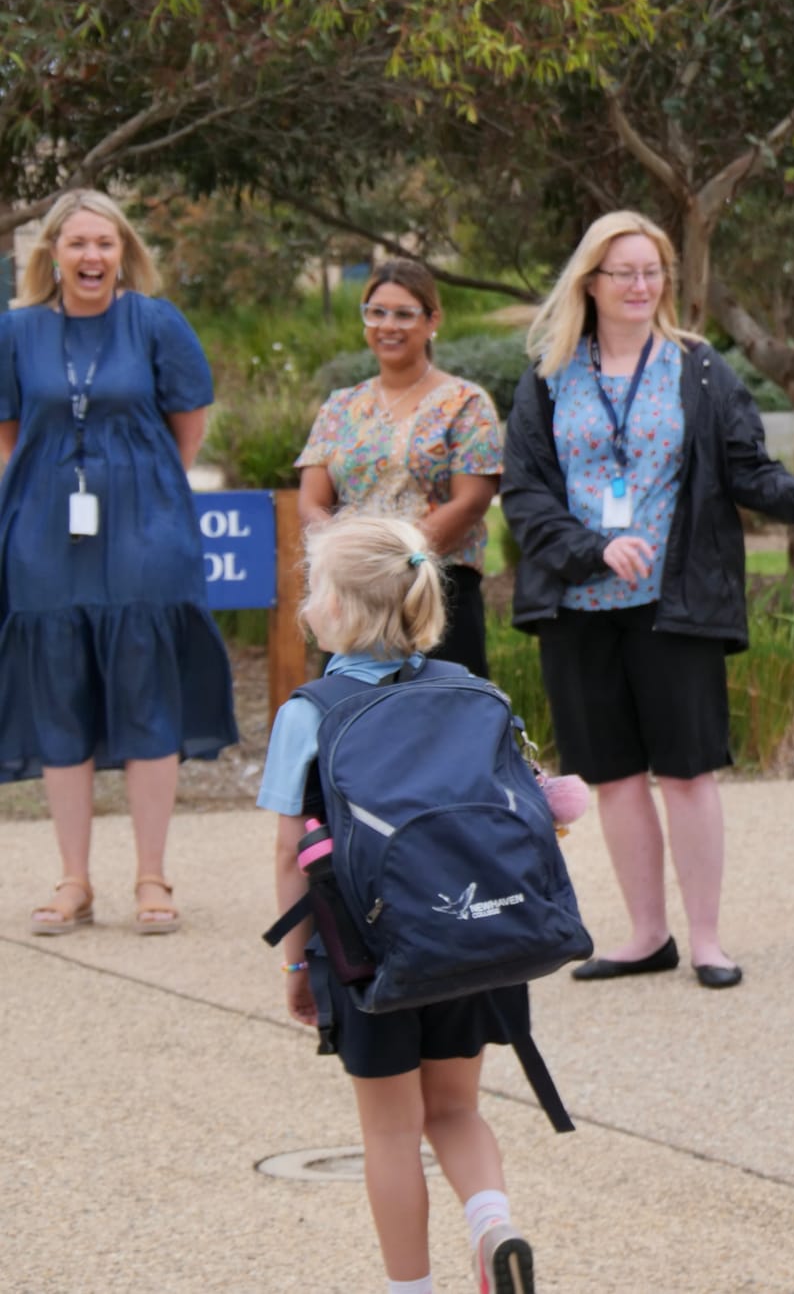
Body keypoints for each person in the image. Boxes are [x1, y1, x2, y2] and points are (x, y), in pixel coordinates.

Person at [501, 210, 794, 988]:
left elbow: (749, 472)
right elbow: (525, 495)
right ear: (591, 282)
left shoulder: (698, 369)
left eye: (653, 272)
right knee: (613, 776)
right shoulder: (547, 375)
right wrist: (592, 548)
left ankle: (706, 939)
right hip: (579, 607)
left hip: (676, 604)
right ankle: (645, 936)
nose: (641, 286)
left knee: (687, 773)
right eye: (624, 272)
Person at [263, 514, 538, 1294]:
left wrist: (296, 964)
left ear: (342, 611)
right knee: (456, 1109)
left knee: (390, 1129)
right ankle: (494, 1224)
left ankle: (409, 1288)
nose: (307, 602)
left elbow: (290, 853)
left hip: (367, 952)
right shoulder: (477, 692)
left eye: (315, 588)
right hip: (478, 933)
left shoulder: (309, 712)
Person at [0, 189, 237, 937]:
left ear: (124, 251)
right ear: (52, 256)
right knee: (57, 697)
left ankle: (152, 876)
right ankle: (74, 880)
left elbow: (186, 433)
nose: (91, 257)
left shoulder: (155, 322)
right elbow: (9, 436)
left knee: (146, 695)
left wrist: (138, 492)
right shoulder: (17, 331)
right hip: (44, 537)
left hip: (145, 533)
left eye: (104, 243)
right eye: (76, 245)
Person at [298, 259, 503, 675]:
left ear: (432, 321)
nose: (388, 325)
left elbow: (471, 502)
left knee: (442, 730)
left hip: (434, 596)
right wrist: (350, 568)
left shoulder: (465, 403)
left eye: (404, 314)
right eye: (376, 312)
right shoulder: (340, 406)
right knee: (353, 726)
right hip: (351, 602)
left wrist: (393, 566)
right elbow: (312, 501)